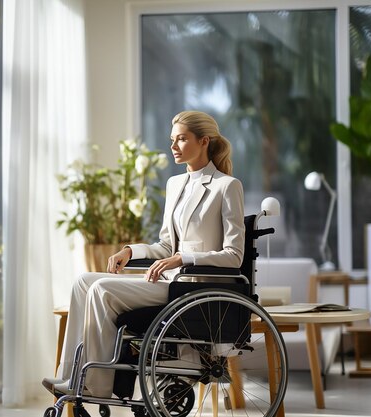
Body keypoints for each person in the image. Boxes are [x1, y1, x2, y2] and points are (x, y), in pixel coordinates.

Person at [43, 110, 245, 398]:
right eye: (172, 139)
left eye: (182, 139)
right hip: (169, 281)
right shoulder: (175, 184)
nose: (173, 146)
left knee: (101, 290)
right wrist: (130, 250)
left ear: (204, 141)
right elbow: (165, 245)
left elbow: (234, 255)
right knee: (83, 281)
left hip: (195, 288)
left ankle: (95, 385)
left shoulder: (227, 186)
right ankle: (70, 376)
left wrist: (183, 258)